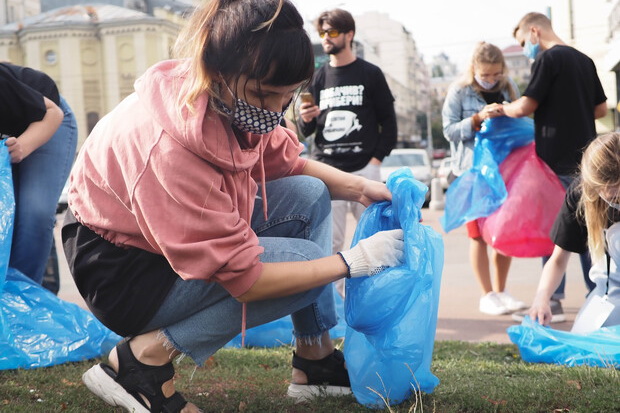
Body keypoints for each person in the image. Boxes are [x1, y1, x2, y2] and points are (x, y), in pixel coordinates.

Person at [61, 1, 405, 412]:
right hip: (121, 272)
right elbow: (248, 279)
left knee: (311, 194)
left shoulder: (233, 102)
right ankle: (142, 363)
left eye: (288, 96)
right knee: (306, 267)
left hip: (154, 243)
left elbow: (288, 161)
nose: (276, 110)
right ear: (217, 72)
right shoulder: (169, 148)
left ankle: (314, 359)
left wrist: (359, 187)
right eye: (265, 94)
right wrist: (351, 262)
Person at [493, 12, 607, 322]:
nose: (525, 47)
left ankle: (553, 301)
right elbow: (600, 108)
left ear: (534, 31)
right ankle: (595, 296)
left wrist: (501, 109)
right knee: (589, 227)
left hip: (553, 161)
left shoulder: (546, 59)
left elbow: (527, 105)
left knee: (555, 230)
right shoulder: (584, 60)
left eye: (522, 41)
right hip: (586, 160)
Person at [297, 8, 397, 297]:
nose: (326, 38)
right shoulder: (318, 77)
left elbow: (388, 121)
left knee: (377, 236)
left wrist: (376, 159)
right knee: (330, 242)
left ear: (349, 34)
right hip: (328, 168)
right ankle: (335, 303)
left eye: (333, 32)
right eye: (322, 33)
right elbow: (308, 133)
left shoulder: (370, 73)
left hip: (365, 167)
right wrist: (306, 119)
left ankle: (376, 295)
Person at [442, 42, 526, 316]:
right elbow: (449, 131)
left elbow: (522, 121)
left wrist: (507, 112)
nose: (490, 80)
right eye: (485, 75)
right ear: (474, 69)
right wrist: (477, 118)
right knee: (477, 236)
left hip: (504, 169)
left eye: (495, 74)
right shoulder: (459, 90)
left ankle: (502, 291)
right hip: (471, 172)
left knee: (505, 230)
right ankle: (487, 294)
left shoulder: (509, 86)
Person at [526, 132, 620, 329]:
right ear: (595, 187)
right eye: (613, 198)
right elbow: (558, 259)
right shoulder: (580, 195)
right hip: (610, 291)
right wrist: (542, 297)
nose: (617, 202)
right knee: (587, 336)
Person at [0, 62, 78, 290]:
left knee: (33, 212)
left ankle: (25, 298)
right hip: (10, 132)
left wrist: (23, 145)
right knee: (10, 215)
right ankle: (43, 281)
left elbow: (52, 114)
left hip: (47, 118)